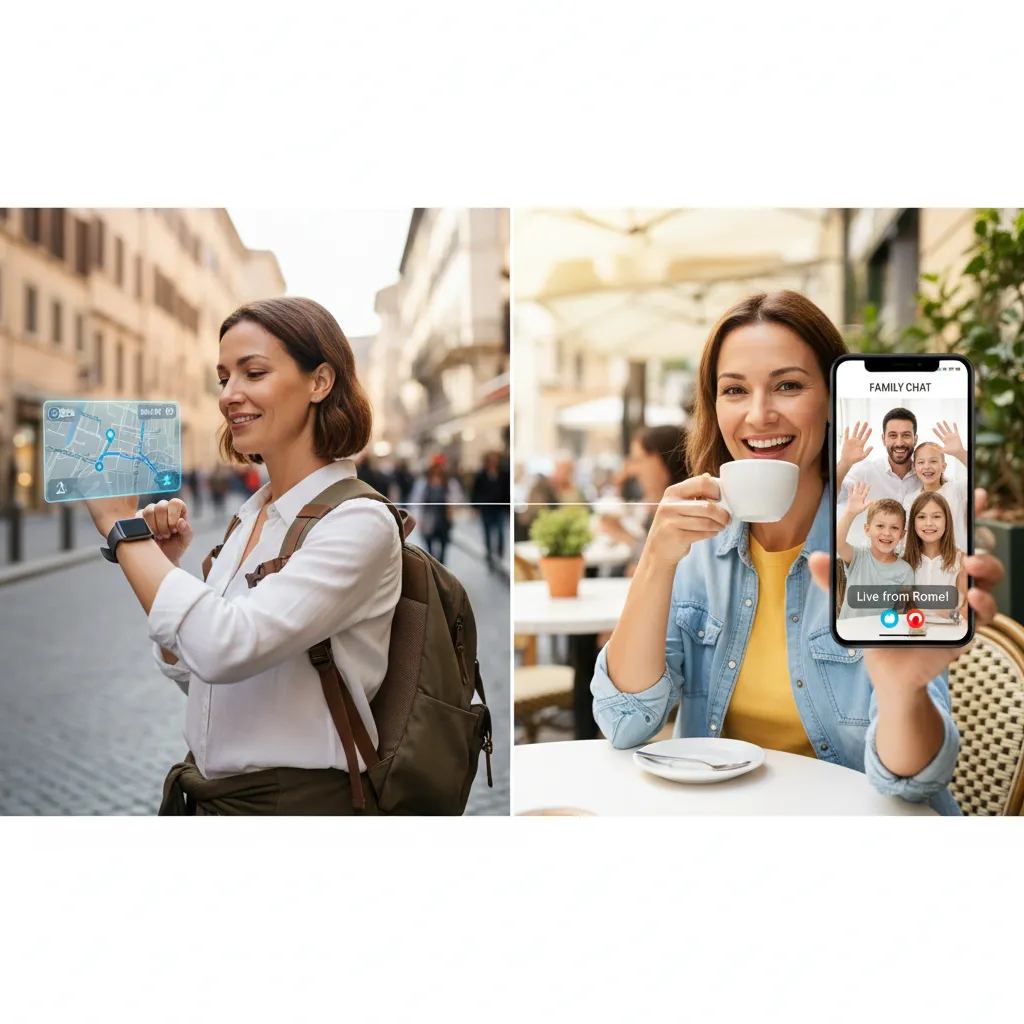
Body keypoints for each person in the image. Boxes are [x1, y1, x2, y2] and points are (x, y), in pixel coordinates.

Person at [591, 289, 1005, 816]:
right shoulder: (695, 545)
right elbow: (624, 721)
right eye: (734, 390)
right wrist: (655, 560)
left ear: (833, 401)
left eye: (788, 385)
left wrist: (902, 690)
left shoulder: (887, 536)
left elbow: (912, 783)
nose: (760, 414)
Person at [84, 296, 402, 815]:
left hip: (298, 812)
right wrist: (163, 566)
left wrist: (125, 533)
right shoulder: (253, 517)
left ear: (320, 382)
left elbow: (224, 647)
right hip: (217, 803)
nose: (230, 395)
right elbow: (201, 675)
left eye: (253, 372)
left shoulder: (357, 522)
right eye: (223, 378)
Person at [597, 424, 688, 569]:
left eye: (639, 460)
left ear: (664, 460)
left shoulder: (686, 511)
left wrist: (624, 535)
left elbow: (669, 565)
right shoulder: (659, 505)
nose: (632, 470)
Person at [836, 483, 914, 620]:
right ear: (867, 530)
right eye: (880, 526)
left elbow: (903, 610)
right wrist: (850, 513)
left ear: (902, 534)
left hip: (882, 636)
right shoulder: (857, 556)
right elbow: (837, 543)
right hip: (849, 635)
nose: (887, 533)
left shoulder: (905, 570)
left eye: (894, 528)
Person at [904, 491, 968, 620]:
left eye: (936, 517)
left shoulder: (962, 561)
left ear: (946, 521)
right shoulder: (903, 562)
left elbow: (966, 611)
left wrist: (951, 613)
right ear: (913, 523)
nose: (929, 523)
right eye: (921, 517)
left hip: (950, 635)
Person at [905, 436, 969, 552]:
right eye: (921, 462)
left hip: (959, 561)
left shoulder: (956, 489)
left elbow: (976, 472)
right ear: (914, 467)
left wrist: (960, 453)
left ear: (943, 466)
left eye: (933, 461)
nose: (927, 466)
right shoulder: (910, 500)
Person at [409, 459, 465, 564]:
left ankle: (441, 566)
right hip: (428, 519)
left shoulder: (449, 483)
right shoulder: (423, 483)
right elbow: (417, 499)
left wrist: (451, 509)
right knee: (429, 544)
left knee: (443, 545)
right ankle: (433, 564)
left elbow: (456, 497)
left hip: (443, 519)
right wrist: (418, 518)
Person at [472, 451, 510, 573]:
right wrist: (475, 507)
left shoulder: (504, 474)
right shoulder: (481, 475)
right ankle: (489, 556)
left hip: (499, 508)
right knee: (488, 533)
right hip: (486, 509)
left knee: (500, 533)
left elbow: (507, 491)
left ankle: (499, 556)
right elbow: (475, 491)